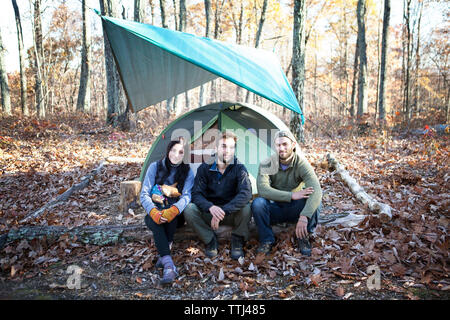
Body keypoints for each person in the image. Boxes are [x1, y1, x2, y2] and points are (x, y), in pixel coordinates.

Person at [251, 130, 322, 256]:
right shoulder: (267, 163)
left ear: (293, 144)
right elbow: (263, 190)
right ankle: (266, 240)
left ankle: (303, 236)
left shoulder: (301, 163)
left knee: (315, 200)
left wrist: (304, 216)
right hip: (275, 208)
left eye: (285, 144)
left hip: (295, 208)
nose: (281, 148)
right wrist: (291, 195)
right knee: (258, 203)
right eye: (278, 145)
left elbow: (316, 189)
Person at [184, 131, 252, 260]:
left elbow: (246, 193)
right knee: (189, 209)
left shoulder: (239, 168)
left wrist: (223, 211)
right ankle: (210, 239)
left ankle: (237, 239)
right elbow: (196, 194)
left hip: (230, 213)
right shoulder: (204, 168)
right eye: (224, 146)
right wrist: (210, 207)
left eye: (232, 147)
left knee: (247, 208)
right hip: (210, 213)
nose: (228, 151)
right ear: (216, 148)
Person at [140, 137, 194, 284]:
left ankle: (164, 258)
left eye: (181, 152)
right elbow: (144, 193)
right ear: (168, 150)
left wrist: (174, 210)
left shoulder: (187, 172)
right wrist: (153, 211)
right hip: (156, 209)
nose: (176, 155)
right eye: (173, 150)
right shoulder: (154, 167)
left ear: (184, 155)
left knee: (169, 218)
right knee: (152, 220)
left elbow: (187, 196)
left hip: (176, 214)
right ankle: (169, 264)